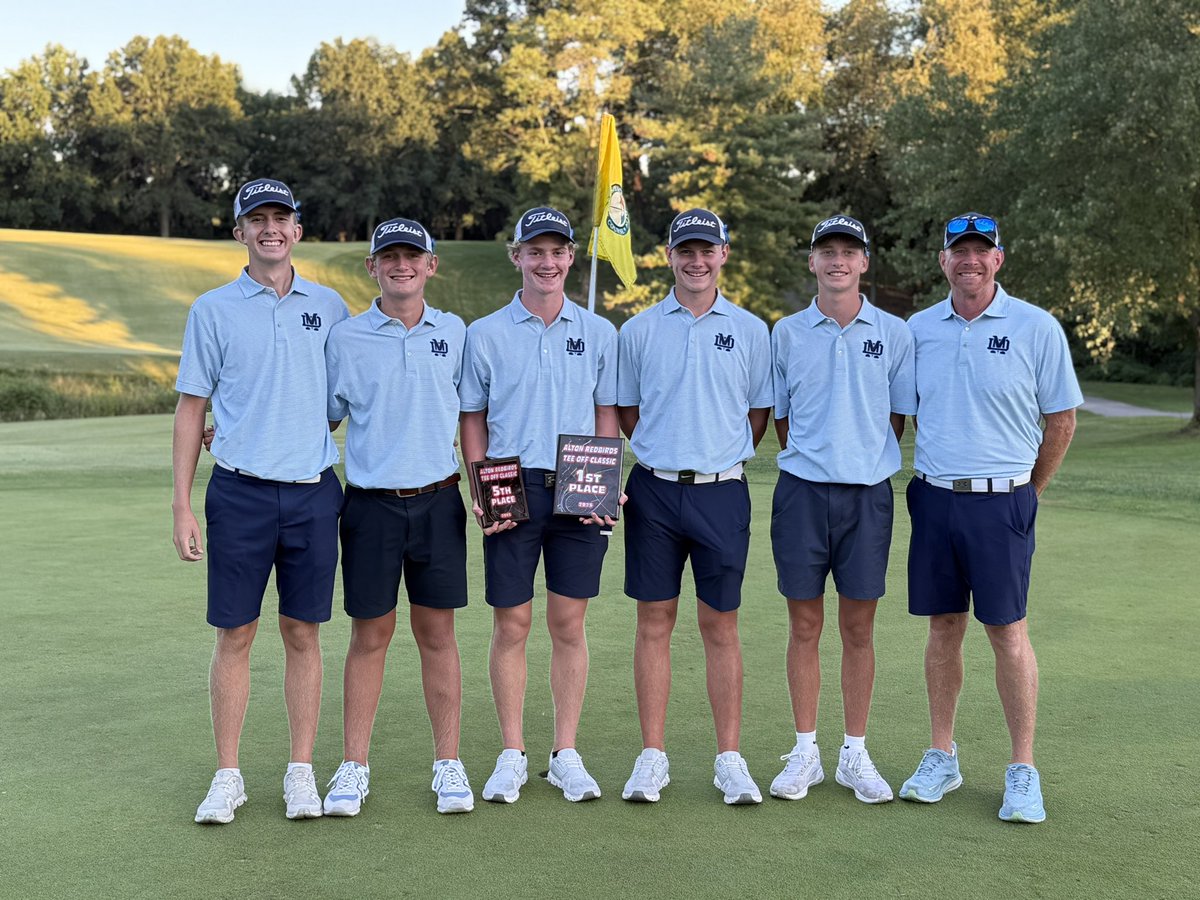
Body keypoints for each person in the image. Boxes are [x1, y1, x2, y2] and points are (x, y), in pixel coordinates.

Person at [172, 178, 349, 824]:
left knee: (303, 633)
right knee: (236, 633)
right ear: (239, 231)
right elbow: (193, 408)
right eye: (257, 219)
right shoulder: (213, 309)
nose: (270, 228)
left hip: (311, 495)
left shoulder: (331, 308)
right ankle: (229, 775)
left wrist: (274, 426)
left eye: (281, 218)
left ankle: (301, 772)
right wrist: (182, 505)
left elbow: (335, 404)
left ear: (298, 229)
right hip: (238, 495)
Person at [899, 212, 1081, 823]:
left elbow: (1061, 421)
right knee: (943, 629)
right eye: (959, 251)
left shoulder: (1036, 327)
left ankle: (1022, 768)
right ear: (943, 261)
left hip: (1003, 500)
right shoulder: (918, 329)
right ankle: (942, 754)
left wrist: (1030, 491)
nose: (970, 260)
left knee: (1007, 632)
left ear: (998, 259)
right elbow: (901, 416)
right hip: (934, 496)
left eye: (981, 251)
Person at [458, 206, 619, 804]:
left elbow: (607, 413)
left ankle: (565, 752)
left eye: (557, 252)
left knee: (567, 621)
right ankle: (511, 753)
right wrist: (479, 483)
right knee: (513, 621)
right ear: (516, 255)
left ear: (571, 257)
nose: (546, 262)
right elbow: (472, 417)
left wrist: (606, 481)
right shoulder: (485, 332)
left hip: (580, 480)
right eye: (535, 251)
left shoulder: (600, 332)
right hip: (510, 481)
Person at [616, 208, 772, 805]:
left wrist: (715, 456)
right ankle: (652, 755)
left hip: (723, 491)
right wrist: (668, 453)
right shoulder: (638, 330)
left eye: (707, 249)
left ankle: (728, 758)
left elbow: (758, 415)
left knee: (720, 626)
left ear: (724, 254)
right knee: (654, 622)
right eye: (686, 250)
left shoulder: (753, 330)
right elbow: (628, 414)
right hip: (654, 491)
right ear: (670, 255)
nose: (697, 260)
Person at [321, 217, 474, 816]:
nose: (402, 266)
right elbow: (320, 414)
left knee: (438, 634)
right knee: (370, 636)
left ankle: (449, 764)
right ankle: (353, 766)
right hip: (369, 506)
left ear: (432, 266)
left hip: (439, 502)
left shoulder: (455, 333)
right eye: (390, 257)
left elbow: (475, 415)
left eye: (414, 257)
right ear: (372, 267)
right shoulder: (347, 338)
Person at [768, 215, 916, 805]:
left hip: (868, 497)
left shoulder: (895, 333)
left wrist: (856, 459)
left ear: (863, 263)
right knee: (804, 625)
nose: (837, 260)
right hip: (802, 493)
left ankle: (854, 751)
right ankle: (805, 751)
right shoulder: (785, 332)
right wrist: (818, 458)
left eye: (848, 252)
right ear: (812, 262)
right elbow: (780, 419)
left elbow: (896, 418)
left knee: (859, 628)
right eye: (826, 251)